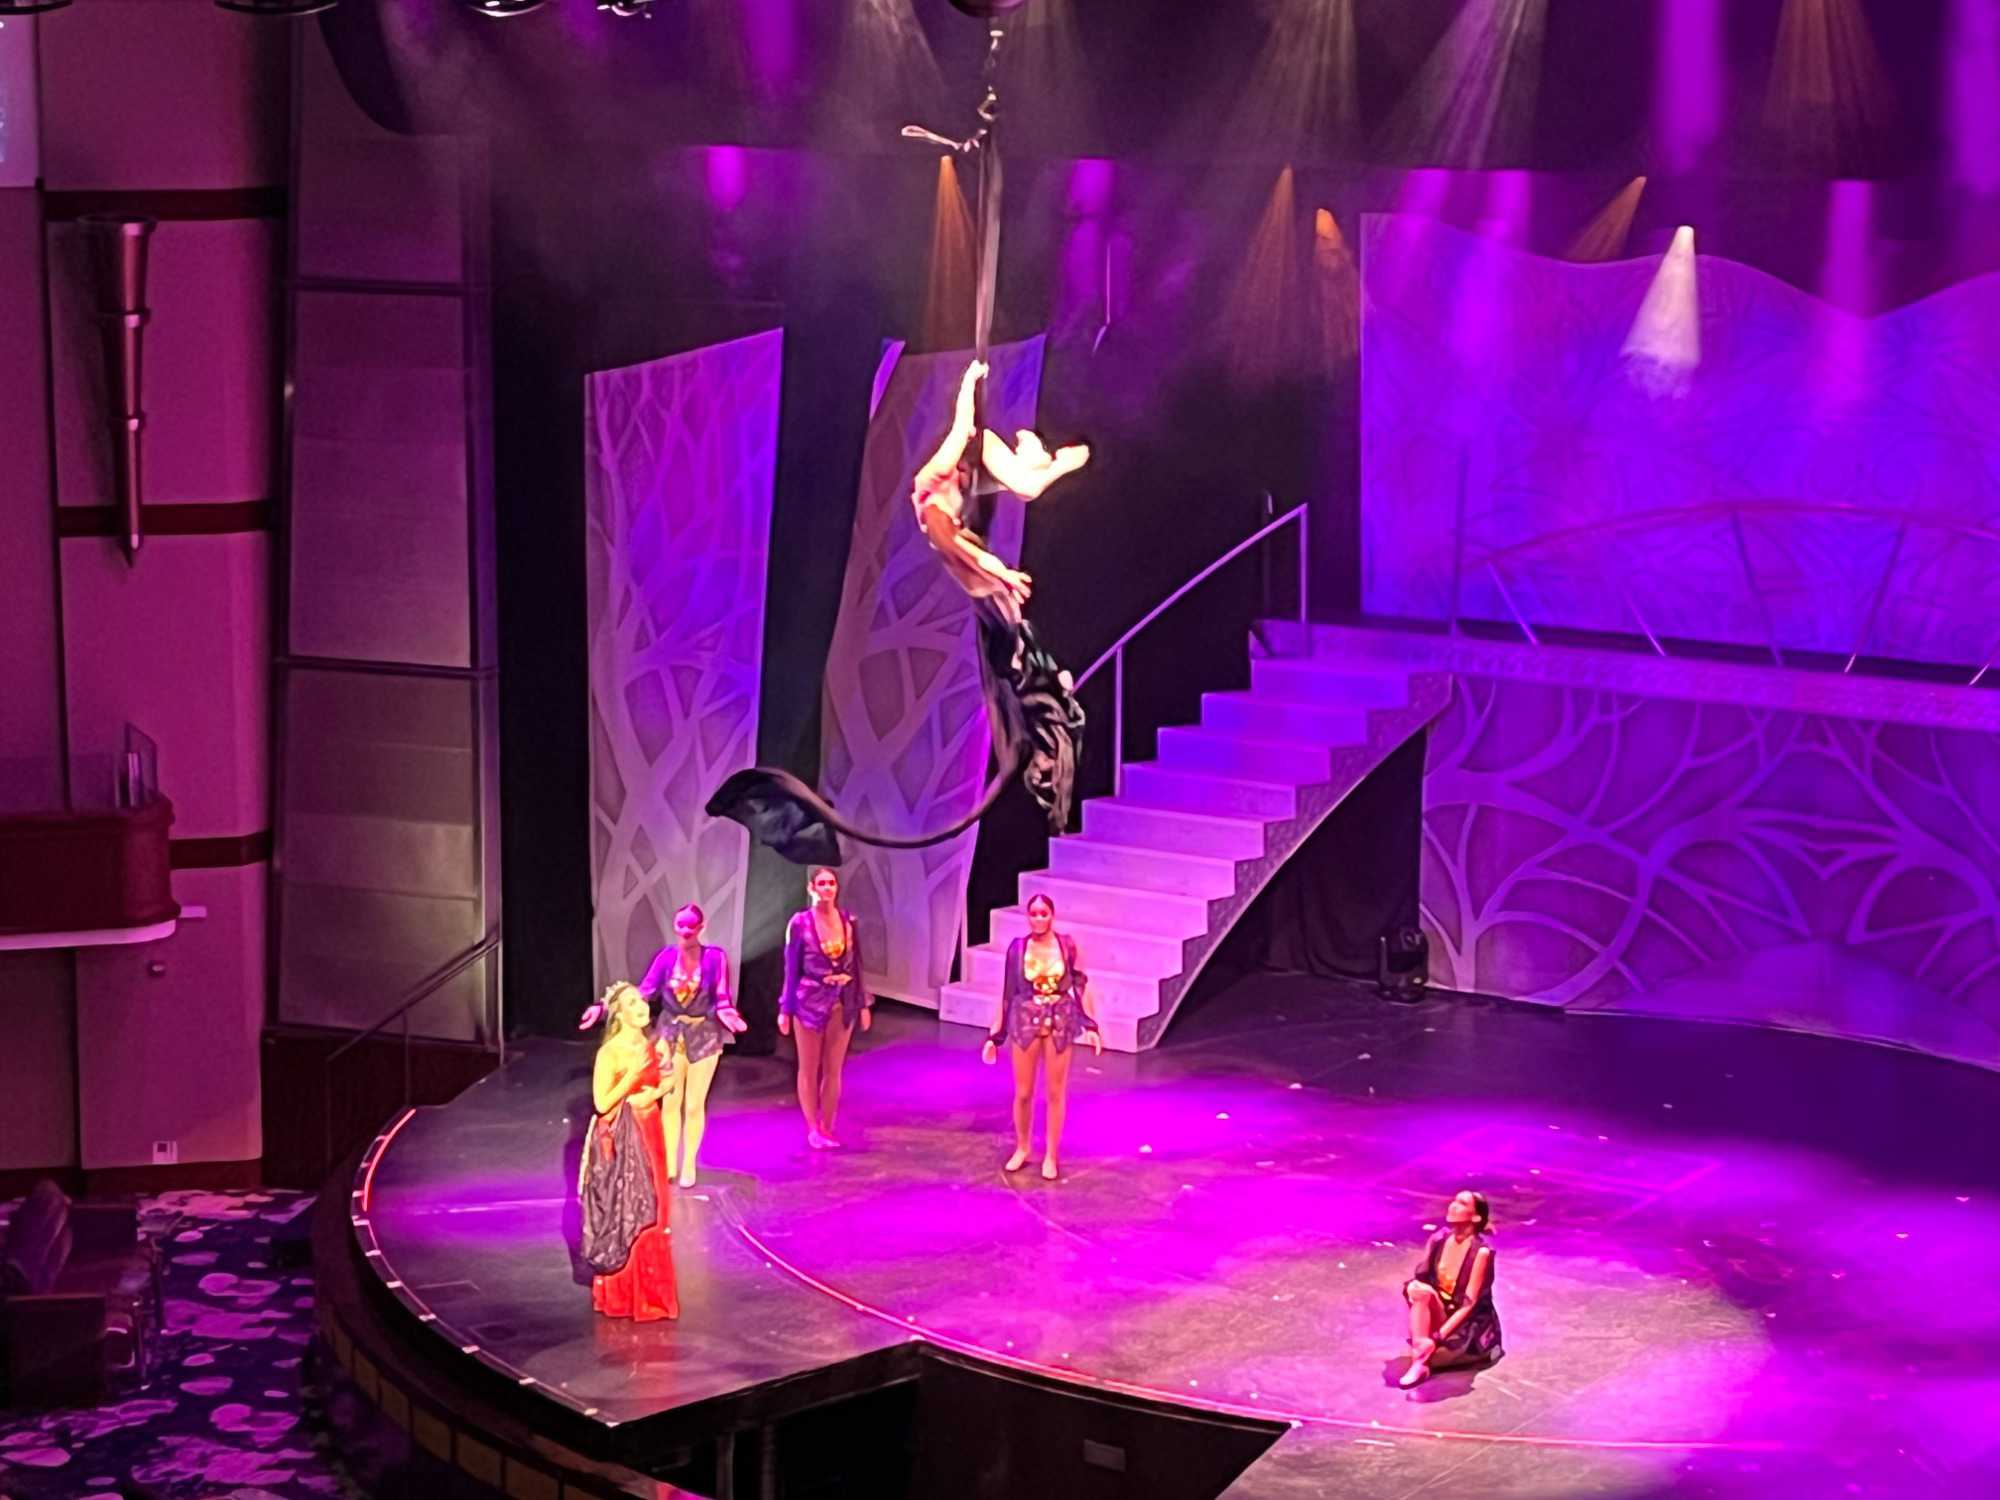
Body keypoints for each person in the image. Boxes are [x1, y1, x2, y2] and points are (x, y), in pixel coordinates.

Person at [703, 361, 1089, 863]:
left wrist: (970, 382)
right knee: (1019, 511)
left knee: (1022, 492)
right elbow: (965, 550)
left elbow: (962, 427)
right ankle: (1037, 464)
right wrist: (1003, 572)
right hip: (979, 555)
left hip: (981, 509)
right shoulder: (937, 511)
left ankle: (1037, 461)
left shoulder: (944, 476)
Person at [980, 892, 1102, 1180]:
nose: (1038, 919)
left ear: (1052, 916)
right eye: (1033, 914)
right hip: (1026, 1021)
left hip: (1060, 1021)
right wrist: (995, 1036)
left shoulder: (1066, 945)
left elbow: (1081, 985)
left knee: (1055, 1093)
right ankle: (1023, 1147)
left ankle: (1051, 1155)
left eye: (1043, 913)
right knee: (1023, 1092)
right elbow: (1007, 993)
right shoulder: (1018, 948)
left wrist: (1091, 1026)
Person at [582, 982, 678, 1322]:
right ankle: (622, 1296)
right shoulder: (610, 1052)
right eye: (632, 1004)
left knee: (654, 1206)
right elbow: (601, 1102)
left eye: (642, 1001)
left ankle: (651, 1296)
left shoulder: (654, 1043)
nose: (641, 1007)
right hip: (621, 1138)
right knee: (626, 1208)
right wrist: (631, 1078)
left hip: (650, 1132)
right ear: (619, 1015)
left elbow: (668, 1079)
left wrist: (656, 1092)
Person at [637, 904, 747, 1188]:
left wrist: (727, 1013)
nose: (685, 930)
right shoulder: (666, 958)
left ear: (701, 927)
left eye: (691, 925)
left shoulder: (714, 957)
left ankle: (689, 1164)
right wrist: (607, 1006)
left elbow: (722, 995)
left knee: (695, 1104)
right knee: (670, 1102)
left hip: (704, 1036)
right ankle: (669, 1163)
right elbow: (644, 991)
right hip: (670, 1035)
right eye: (681, 925)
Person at [778, 866, 873, 1150]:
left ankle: (827, 1127)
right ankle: (812, 1128)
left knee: (834, 1069)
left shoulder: (848, 921)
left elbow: (857, 965)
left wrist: (863, 1003)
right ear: (811, 888)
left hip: (842, 1001)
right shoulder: (800, 924)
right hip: (808, 1001)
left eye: (831, 883)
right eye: (822, 883)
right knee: (809, 1068)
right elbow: (791, 968)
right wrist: (785, 1008)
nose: (827, 888)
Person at [1400, 1189, 1503, 1387]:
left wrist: (1437, 1338)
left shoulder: (1480, 1252)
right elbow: (1423, 1280)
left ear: (1475, 1217)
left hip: (1465, 1326)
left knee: (1429, 1352)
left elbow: (1468, 1305)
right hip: (1442, 1312)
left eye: (1462, 1204)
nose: (1453, 1206)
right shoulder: (1439, 1239)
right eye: (1454, 1201)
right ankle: (1422, 1349)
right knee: (1419, 1289)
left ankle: (1420, 1360)